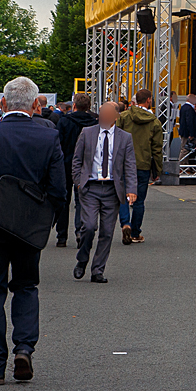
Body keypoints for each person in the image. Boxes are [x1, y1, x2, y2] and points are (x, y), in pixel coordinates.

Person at [0, 76, 67, 384]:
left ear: (2, 103)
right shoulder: (48, 138)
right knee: (26, 287)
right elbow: (59, 191)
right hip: (28, 228)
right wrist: (43, 223)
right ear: (36, 105)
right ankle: (24, 347)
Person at [70, 102, 136, 284]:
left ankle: (97, 269)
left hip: (112, 189)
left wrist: (131, 189)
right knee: (89, 226)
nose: (103, 117)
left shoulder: (125, 138)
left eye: (107, 114)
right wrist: (78, 181)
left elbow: (129, 165)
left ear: (116, 117)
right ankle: (82, 259)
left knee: (107, 232)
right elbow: (77, 159)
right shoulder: (87, 133)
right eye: (101, 114)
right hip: (90, 187)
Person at [116, 90, 164, 244]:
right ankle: (136, 232)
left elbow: (114, 139)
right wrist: (157, 169)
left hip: (123, 163)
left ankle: (125, 223)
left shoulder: (123, 117)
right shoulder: (154, 122)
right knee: (139, 200)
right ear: (149, 100)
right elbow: (157, 148)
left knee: (122, 195)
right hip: (143, 163)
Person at [57, 94, 97, 247]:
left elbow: (58, 144)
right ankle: (80, 230)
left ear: (74, 105)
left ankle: (61, 236)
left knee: (64, 200)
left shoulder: (64, 122)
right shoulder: (94, 123)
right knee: (82, 200)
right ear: (89, 106)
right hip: (86, 165)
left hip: (66, 163)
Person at [177, 93, 196, 161]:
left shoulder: (184, 107)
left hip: (184, 132)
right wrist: (191, 134)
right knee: (185, 150)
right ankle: (181, 165)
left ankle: (185, 166)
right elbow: (190, 122)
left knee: (185, 149)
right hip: (187, 133)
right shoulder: (189, 109)